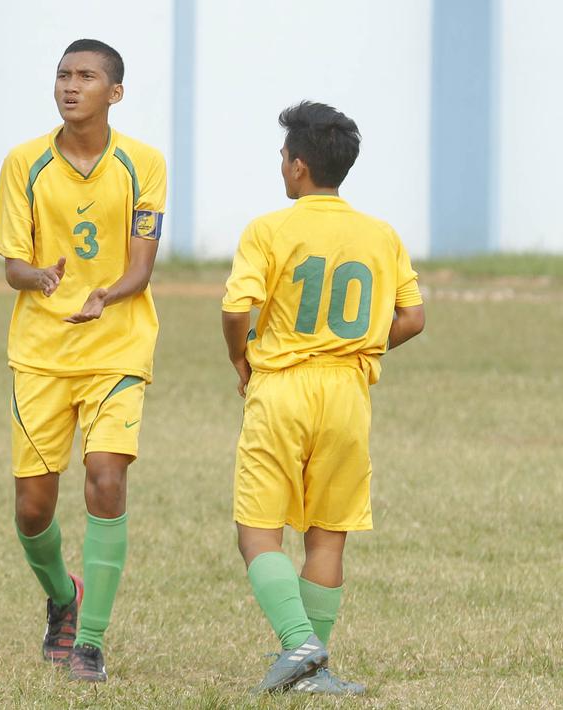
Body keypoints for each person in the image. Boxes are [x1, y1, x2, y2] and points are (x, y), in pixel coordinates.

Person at [221, 101, 426, 694]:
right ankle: (318, 669)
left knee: (257, 531)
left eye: (284, 155)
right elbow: (412, 317)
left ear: (299, 167)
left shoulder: (269, 228)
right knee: (327, 533)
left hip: (282, 387)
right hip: (348, 392)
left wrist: (242, 357)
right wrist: (358, 346)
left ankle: (299, 644)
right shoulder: (381, 234)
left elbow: (237, 308)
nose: (281, 164)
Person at [0, 39, 166, 683]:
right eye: (63, 74)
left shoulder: (144, 163)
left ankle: (89, 643)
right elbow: (12, 264)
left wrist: (104, 296)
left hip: (117, 344)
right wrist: (37, 277)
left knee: (106, 479)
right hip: (41, 353)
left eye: (86, 76)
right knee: (33, 509)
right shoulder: (23, 163)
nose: (71, 85)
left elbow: (140, 268)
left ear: (114, 92)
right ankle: (63, 599)